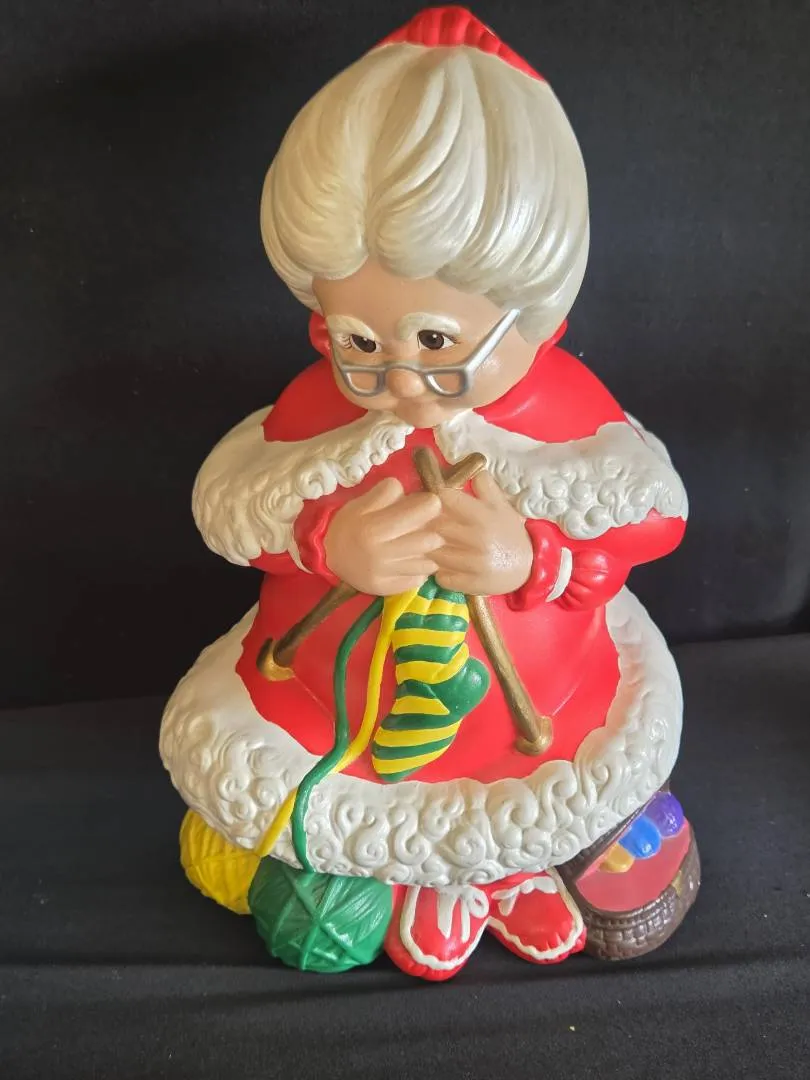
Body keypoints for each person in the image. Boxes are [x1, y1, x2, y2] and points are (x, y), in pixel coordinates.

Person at [161, 6, 699, 980]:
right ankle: (372, 870)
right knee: (284, 806)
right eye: (360, 342)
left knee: (553, 803)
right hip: (328, 718)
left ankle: (512, 866)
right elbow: (236, 512)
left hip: (539, 720)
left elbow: (650, 520)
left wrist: (532, 558)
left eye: (438, 343)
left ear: (538, 324)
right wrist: (328, 543)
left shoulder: (567, 418)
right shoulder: (322, 409)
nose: (402, 382)